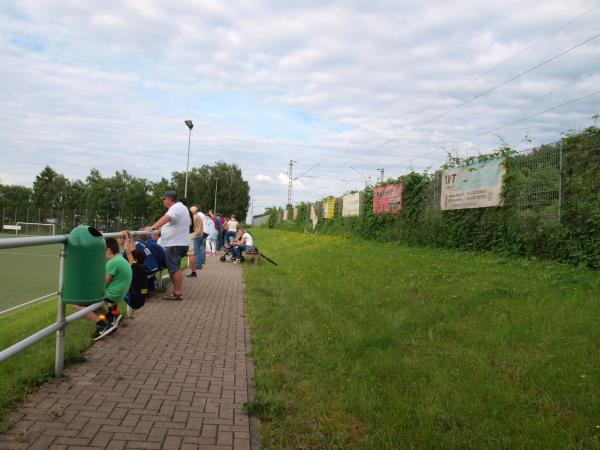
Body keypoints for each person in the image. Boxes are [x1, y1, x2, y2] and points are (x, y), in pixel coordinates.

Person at [85, 236, 132, 341]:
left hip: (113, 295)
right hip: (119, 293)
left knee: (80, 303)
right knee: (92, 299)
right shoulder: (119, 258)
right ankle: (112, 316)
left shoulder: (112, 262)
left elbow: (103, 284)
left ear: (108, 250)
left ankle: (101, 325)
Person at [151, 191, 190, 301]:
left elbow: (167, 217)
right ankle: (176, 292)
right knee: (173, 268)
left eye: (164, 199)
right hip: (177, 243)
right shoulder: (181, 207)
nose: (163, 201)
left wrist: (153, 227)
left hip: (175, 244)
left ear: (169, 199)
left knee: (174, 269)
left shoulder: (176, 207)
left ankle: (177, 293)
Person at [186, 205, 204, 278]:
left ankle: (197, 266)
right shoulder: (197, 216)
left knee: (194, 252)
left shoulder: (194, 217)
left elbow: (189, 225)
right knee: (198, 251)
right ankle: (198, 265)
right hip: (199, 235)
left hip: (196, 235)